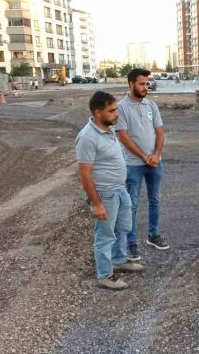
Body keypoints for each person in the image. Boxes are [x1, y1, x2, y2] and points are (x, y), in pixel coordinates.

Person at [75, 91, 145, 290]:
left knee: (123, 228)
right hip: (105, 194)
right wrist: (97, 204)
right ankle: (105, 274)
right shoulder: (87, 137)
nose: (117, 114)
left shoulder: (108, 128)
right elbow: (85, 174)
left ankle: (119, 259)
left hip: (120, 190)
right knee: (105, 235)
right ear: (98, 113)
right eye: (112, 110)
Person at [115, 68, 169, 261]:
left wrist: (156, 154)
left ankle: (153, 235)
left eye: (147, 83)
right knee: (132, 204)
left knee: (155, 199)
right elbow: (123, 137)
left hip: (155, 162)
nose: (146, 87)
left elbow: (160, 132)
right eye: (141, 83)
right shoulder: (120, 108)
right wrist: (145, 156)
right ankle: (131, 244)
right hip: (133, 165)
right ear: (131, 84)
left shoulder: (151, 105)